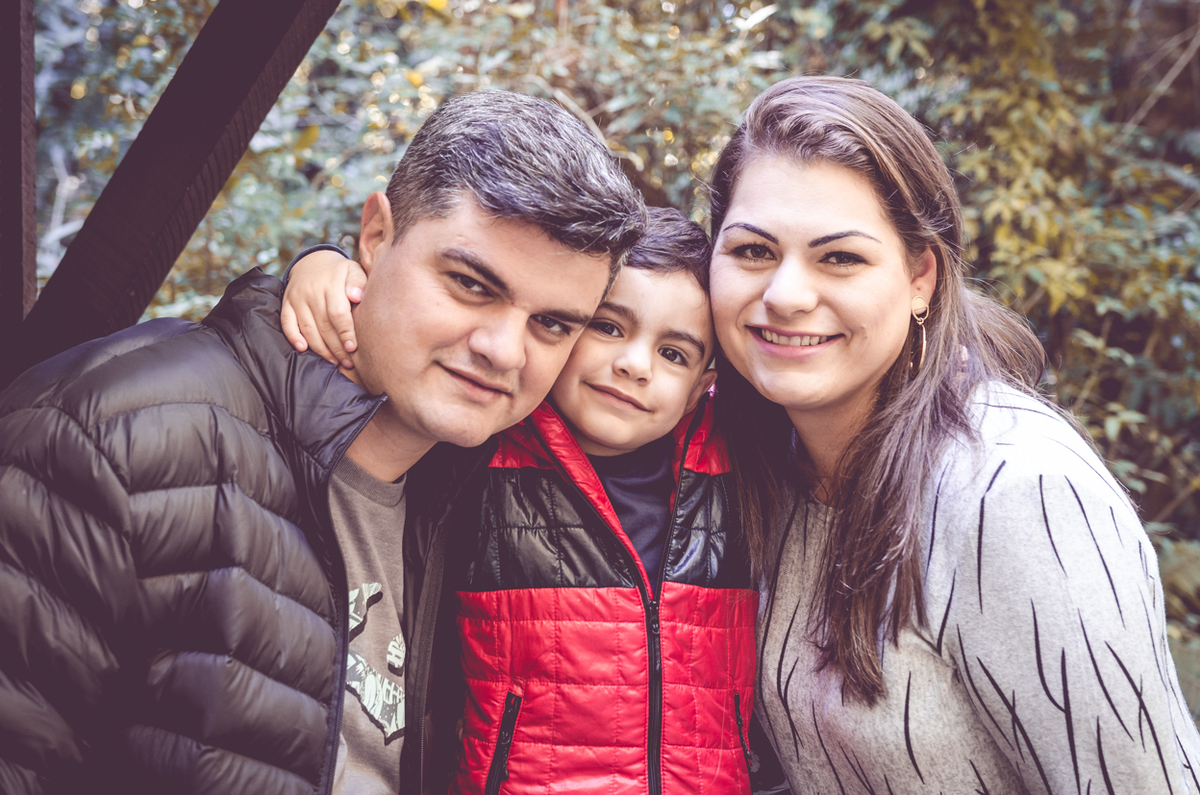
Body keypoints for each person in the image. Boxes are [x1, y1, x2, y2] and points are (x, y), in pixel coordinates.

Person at [0, 89, 645, 795]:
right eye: (470, 284)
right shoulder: (113, 439)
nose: (504, 349)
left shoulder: (483, 493)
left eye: (552, 324)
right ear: (375, 235)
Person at [707, 75, 1200, 793]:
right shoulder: (756, 463)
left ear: (921, 278)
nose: (785, 294)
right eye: (753, 251)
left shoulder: (1020, 492)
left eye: (840, 257)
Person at [282, 207, 760, 794]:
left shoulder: (736, 467)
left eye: (674, 354)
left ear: (700, 389)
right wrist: (320, 265)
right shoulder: (483, 444)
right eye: (609, 328)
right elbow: (384, 346)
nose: (635, 365)